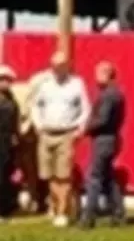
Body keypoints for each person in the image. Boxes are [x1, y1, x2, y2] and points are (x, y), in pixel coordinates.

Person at [30, 51, 90, 227]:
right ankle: (55, 207)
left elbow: (85, 109)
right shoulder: (45, 84)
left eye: (60, 66)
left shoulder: (77, 84)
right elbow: (36, 106)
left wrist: (80, 128)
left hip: (66, 133)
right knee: (49, 174)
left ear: (67, 66)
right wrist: (38, 125)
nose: (56, 69)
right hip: (46, 132)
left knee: (63, 175)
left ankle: (62, 212)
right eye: (54, 66)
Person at [79, 61, 126, 228]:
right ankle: (118, 214)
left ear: (107, 74)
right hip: (111, 139)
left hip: (103, 140)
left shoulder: (108, 95)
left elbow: (103, 119)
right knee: (108, 178)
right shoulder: (117, 94)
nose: (95, 78)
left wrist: (85, 129)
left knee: (94, 177)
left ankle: (88, 216)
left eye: (98, 74)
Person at [0, 66, 20, 221]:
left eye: (8, 80)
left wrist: (15, 135)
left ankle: (6, 208)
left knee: (6, 174)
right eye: (2, 80)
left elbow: (14, 120)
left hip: (7, 142)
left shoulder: (11, 99)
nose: (5, 83)